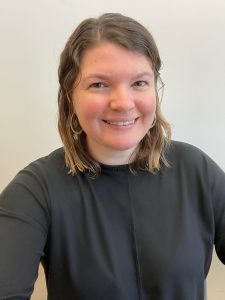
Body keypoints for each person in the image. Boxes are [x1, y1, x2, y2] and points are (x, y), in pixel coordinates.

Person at [0, 12, 224, 300]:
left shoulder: (196, 171)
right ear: (70, 96)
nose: (123, 103)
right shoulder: (36, 189)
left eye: (139, 83)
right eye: (99, 84)